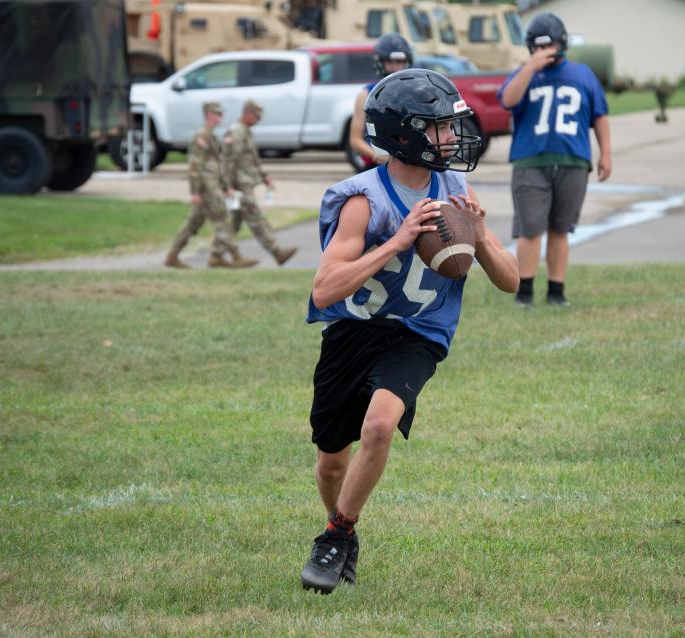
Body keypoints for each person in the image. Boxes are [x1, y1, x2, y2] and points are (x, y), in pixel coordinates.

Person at [300, 69, 519, 594]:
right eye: (439, 127)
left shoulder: (456, 187)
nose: (451, 137)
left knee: (379, 425)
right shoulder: (362, 199)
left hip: (419, 332)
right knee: (331, 463)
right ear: (403, 133)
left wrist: (482, 237)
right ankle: (343, 534)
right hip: (353, 331)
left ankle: (334, 534)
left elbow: (510, 281)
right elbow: (326, 289)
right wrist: (396, 241)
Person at [497, 12, 612, 307]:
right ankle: (524, 291)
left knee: (561, 228)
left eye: (549, 46)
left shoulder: (583, 74)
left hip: (573, 160)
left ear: (562, 44)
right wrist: (530, 68)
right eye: (538, 47)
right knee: (530, 227)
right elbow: (508, 100)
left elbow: (599, 115)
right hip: (530, 161)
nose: (544, 52)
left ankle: (556, 291)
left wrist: (606, 153)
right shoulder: (525, 74)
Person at [164, 101, 258, 269]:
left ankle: (173, 255)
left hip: (212, 185)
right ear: (208, 114)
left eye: (221, 114)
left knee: (193, 223)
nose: (220, 117)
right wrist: (195, 191)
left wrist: (225, 186)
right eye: (217, 114)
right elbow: (195, 165)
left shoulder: (210, 136)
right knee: (223, 219)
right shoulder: (202, 136)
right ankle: (236, 256)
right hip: (207, 187)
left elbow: (215, 165)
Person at [221, 99, 298, 266]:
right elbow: (227, 162)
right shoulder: (235, 132)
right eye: (256, 116)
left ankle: (216, 254)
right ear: (247, 113)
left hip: (244, 184)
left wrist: (264, 177)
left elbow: (251, 159)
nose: (258, 120)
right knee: (256, 218)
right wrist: (227, 187)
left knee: (234, 221)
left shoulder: (244, 131)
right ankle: (277, 252)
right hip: (239, 187)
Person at [348, 32, 414, 169]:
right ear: (381, 62)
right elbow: (355, 139)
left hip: (409, 165)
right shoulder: (366, 94)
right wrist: (376, 155)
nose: (395, 67)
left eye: (399, 62)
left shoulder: (413, 93)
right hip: (377, 167)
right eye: (390, 62)